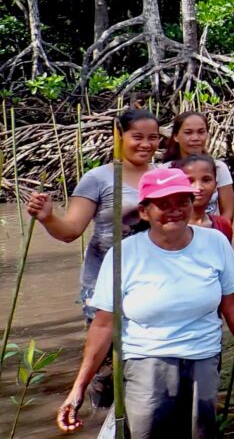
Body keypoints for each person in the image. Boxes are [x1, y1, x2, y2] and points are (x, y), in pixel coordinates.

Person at [55, 167, 234, 439]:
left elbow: (233, 305)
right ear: (144, 211)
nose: (174, 211)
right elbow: (103, 325)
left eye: (180, 201)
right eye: (162, 204)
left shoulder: (215, 244)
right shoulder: (125, 254)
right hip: (146, 361)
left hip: (203, 359)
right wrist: (78, 387)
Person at [28, 108, 159, 326]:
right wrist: (47, 217)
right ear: (119, 136)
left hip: (153, 280)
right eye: (137, 137)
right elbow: (71, 231)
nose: (146, 144)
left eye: (153, 138)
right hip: (104, 281)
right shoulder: (97, 178)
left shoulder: (165, 176)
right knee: (107, 354)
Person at [161, 110, 234, 218]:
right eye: (188, 132)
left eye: (201, 132)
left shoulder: (219, 168)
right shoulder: (165, 171)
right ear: (176, 136)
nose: (195, 138)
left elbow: (227, 214)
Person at [172, 154, 233, 241]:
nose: (198, 187)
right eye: (190, 181)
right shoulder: (171, 226)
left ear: (215, 185)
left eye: (206, 180)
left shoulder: (223, 225)